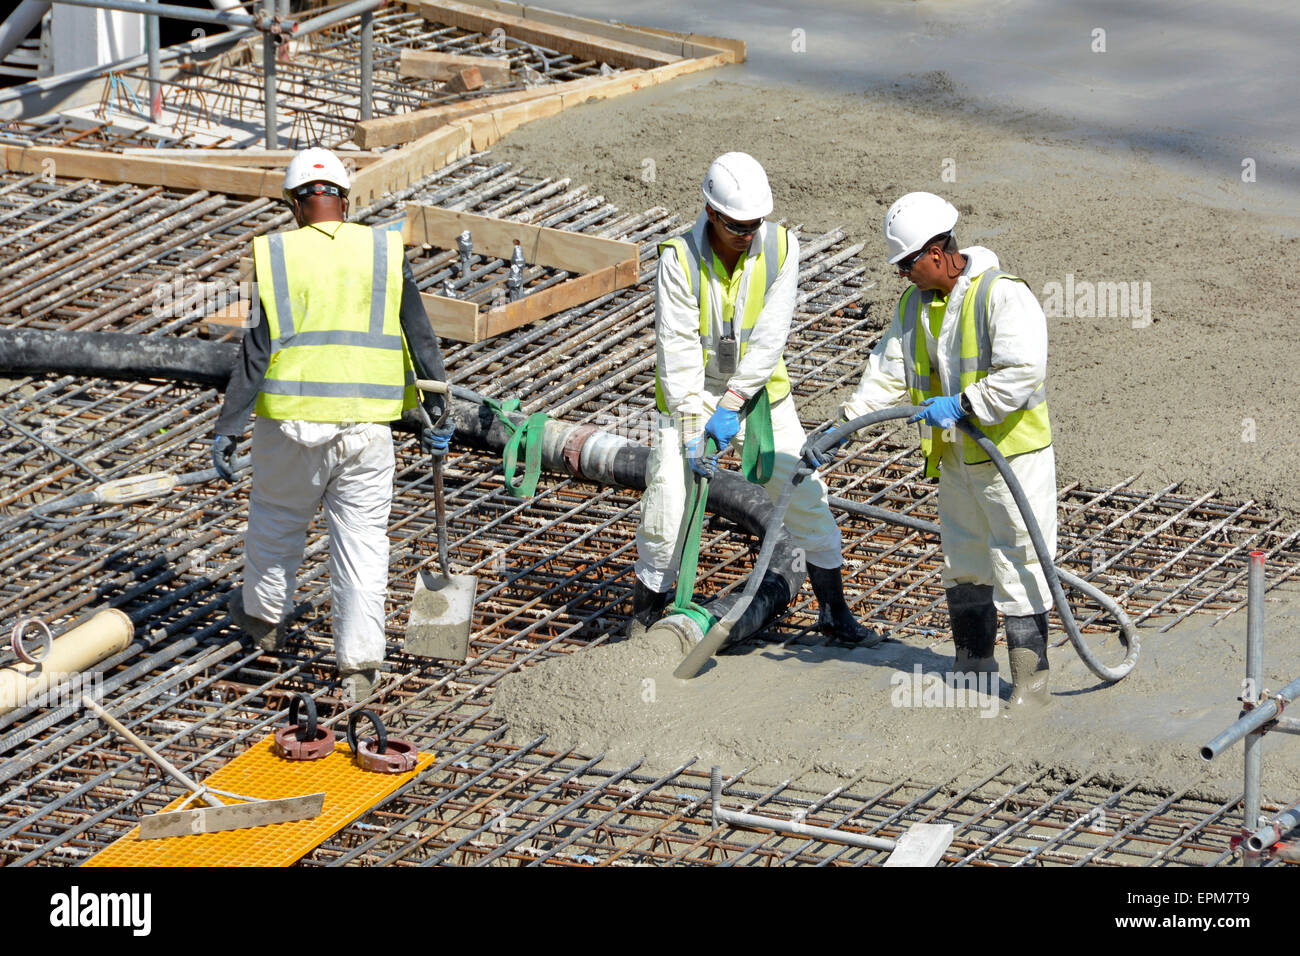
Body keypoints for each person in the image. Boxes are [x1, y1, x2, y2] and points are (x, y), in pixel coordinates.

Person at [211, 147, 453, 704]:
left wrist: (229, 425)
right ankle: (360, 665)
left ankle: (265, 625)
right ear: (344, 200)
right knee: (363, 544)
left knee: (275, 522)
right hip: (366, 429)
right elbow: (419, 334)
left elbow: (255, 351)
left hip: (290, 426)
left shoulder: (276, 255)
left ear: (296, 205)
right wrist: (435, 404)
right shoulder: (382, 250)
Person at [632, 151, 880, 646]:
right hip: (692, 393)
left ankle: (835, 613)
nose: (747, 235)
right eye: (737, 226)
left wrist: (733, 406)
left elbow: (770, 338)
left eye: (754, 225)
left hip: (759, 392)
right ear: (710, 212)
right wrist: (689, 433)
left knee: (804, 496)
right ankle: (644, 621)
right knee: (669, 502)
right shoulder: (677, 259)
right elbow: (676, 349)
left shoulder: (780, 247)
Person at [827, 191, 1056, 710]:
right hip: (955, 459)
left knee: (1020, 562)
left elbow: (1024, 371)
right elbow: (887, 372)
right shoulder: (914, 305)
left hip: (1011, 460)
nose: (903, 275)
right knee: (964, 561)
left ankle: (1031, 685)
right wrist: (845, 425)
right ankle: (972, 667)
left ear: (935, 252)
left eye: (907, 264)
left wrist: (964, 404)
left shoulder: (1002, 294)